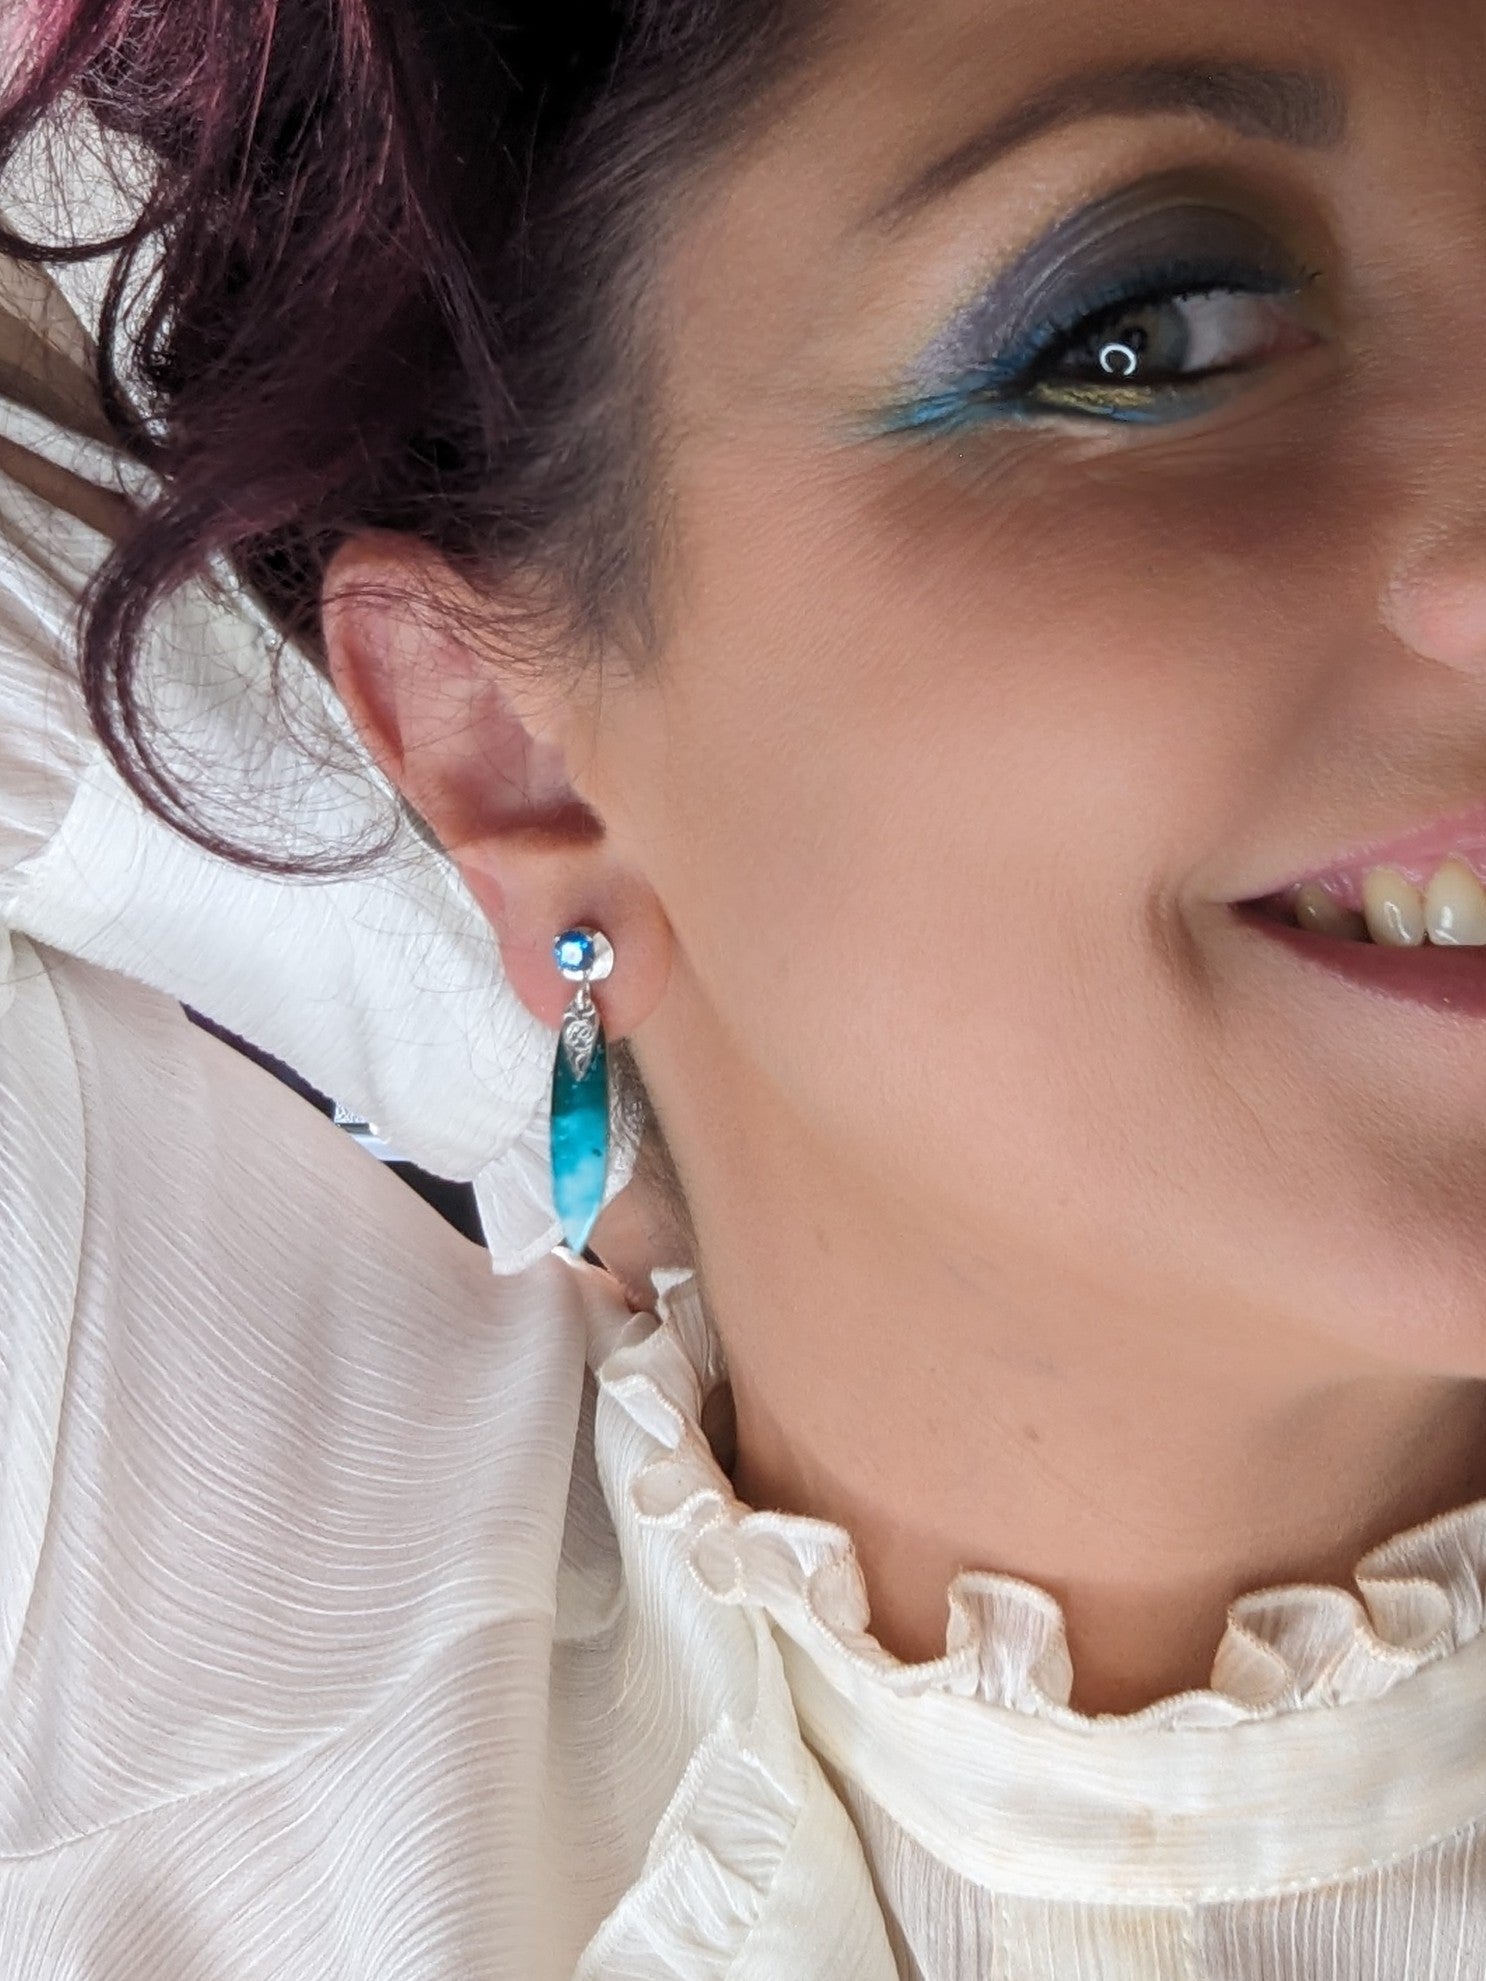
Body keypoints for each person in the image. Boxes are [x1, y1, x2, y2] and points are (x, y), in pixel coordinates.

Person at [5, 0, 1486, 1973]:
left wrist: (590, 961)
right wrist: (540, 938)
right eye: (1151, 332)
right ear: (501, 736)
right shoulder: (162, 1613)